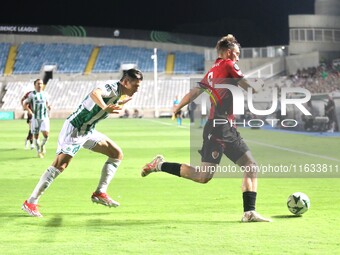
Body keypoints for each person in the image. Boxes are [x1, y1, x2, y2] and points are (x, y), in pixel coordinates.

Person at [142, 35, 271, 222]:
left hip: (223, 126)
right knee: (205, 176)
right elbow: (247, 86)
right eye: (236, 54)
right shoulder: (228, 64)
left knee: (240, 168)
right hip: (219, 127)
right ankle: (159, 165)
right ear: (228, 53)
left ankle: (249, 212)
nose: (238, 58)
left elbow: (195, 92)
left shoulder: (212, 71)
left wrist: (177, 107)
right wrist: (259, 89)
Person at [22, 69, 143, 217]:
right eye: (135, 86)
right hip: (75, 129)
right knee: (60, 165)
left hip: (88, 131)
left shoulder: (118, 94)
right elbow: (95, 93)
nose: (137, 89)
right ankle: (30, 202)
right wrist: (105, 107)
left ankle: (100, 193)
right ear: (125, 82)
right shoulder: (111, 87)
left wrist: (117, 102)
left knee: (116, 154)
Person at [23, 79, 51, 158]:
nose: (40, 85)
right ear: (35, 85)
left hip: (44, 118)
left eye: (41, 84)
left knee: (46, 135)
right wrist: (29, 111)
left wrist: (49, 106)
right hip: (35, 118)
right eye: (38, 83)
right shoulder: (31, 95)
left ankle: (42, 146)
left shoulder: (45, 94)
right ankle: (39, 151)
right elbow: (25, 104)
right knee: (36, 136)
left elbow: (47, 103)